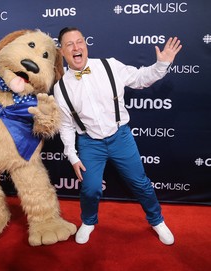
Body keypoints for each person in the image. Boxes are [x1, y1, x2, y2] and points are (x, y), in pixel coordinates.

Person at [53, 27, 182, 245]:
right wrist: (72, 155)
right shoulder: (61, 87)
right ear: (63, 52)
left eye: (80, 42)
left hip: (120, 136)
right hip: (89, 143)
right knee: (91, 188)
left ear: (85, 45)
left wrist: (161, 65)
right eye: (69, 44)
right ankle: (89, 221)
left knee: (141, 183)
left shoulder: (109, 65)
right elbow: (65, 126)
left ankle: (157, 220)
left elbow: (141, 79)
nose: (76, 47)